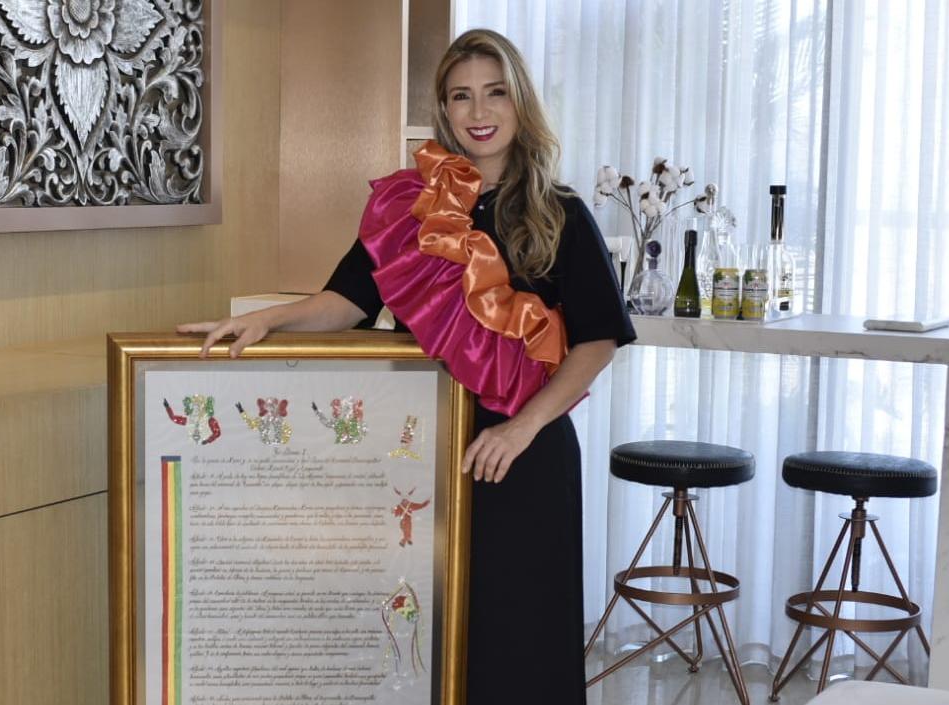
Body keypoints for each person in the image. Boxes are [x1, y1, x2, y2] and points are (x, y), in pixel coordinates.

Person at [178, 28, 635, 704]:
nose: (478, 111)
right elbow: (346, 301)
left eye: (494, 92)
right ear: (443, 109)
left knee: (522, 631)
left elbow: (596, 341)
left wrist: (521, 428)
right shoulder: (409, 204)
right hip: (421, 449)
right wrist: (268, 319)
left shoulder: (558, 211)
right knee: (426, 626)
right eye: (460, 96)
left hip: (523, 449)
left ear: (519, 103)